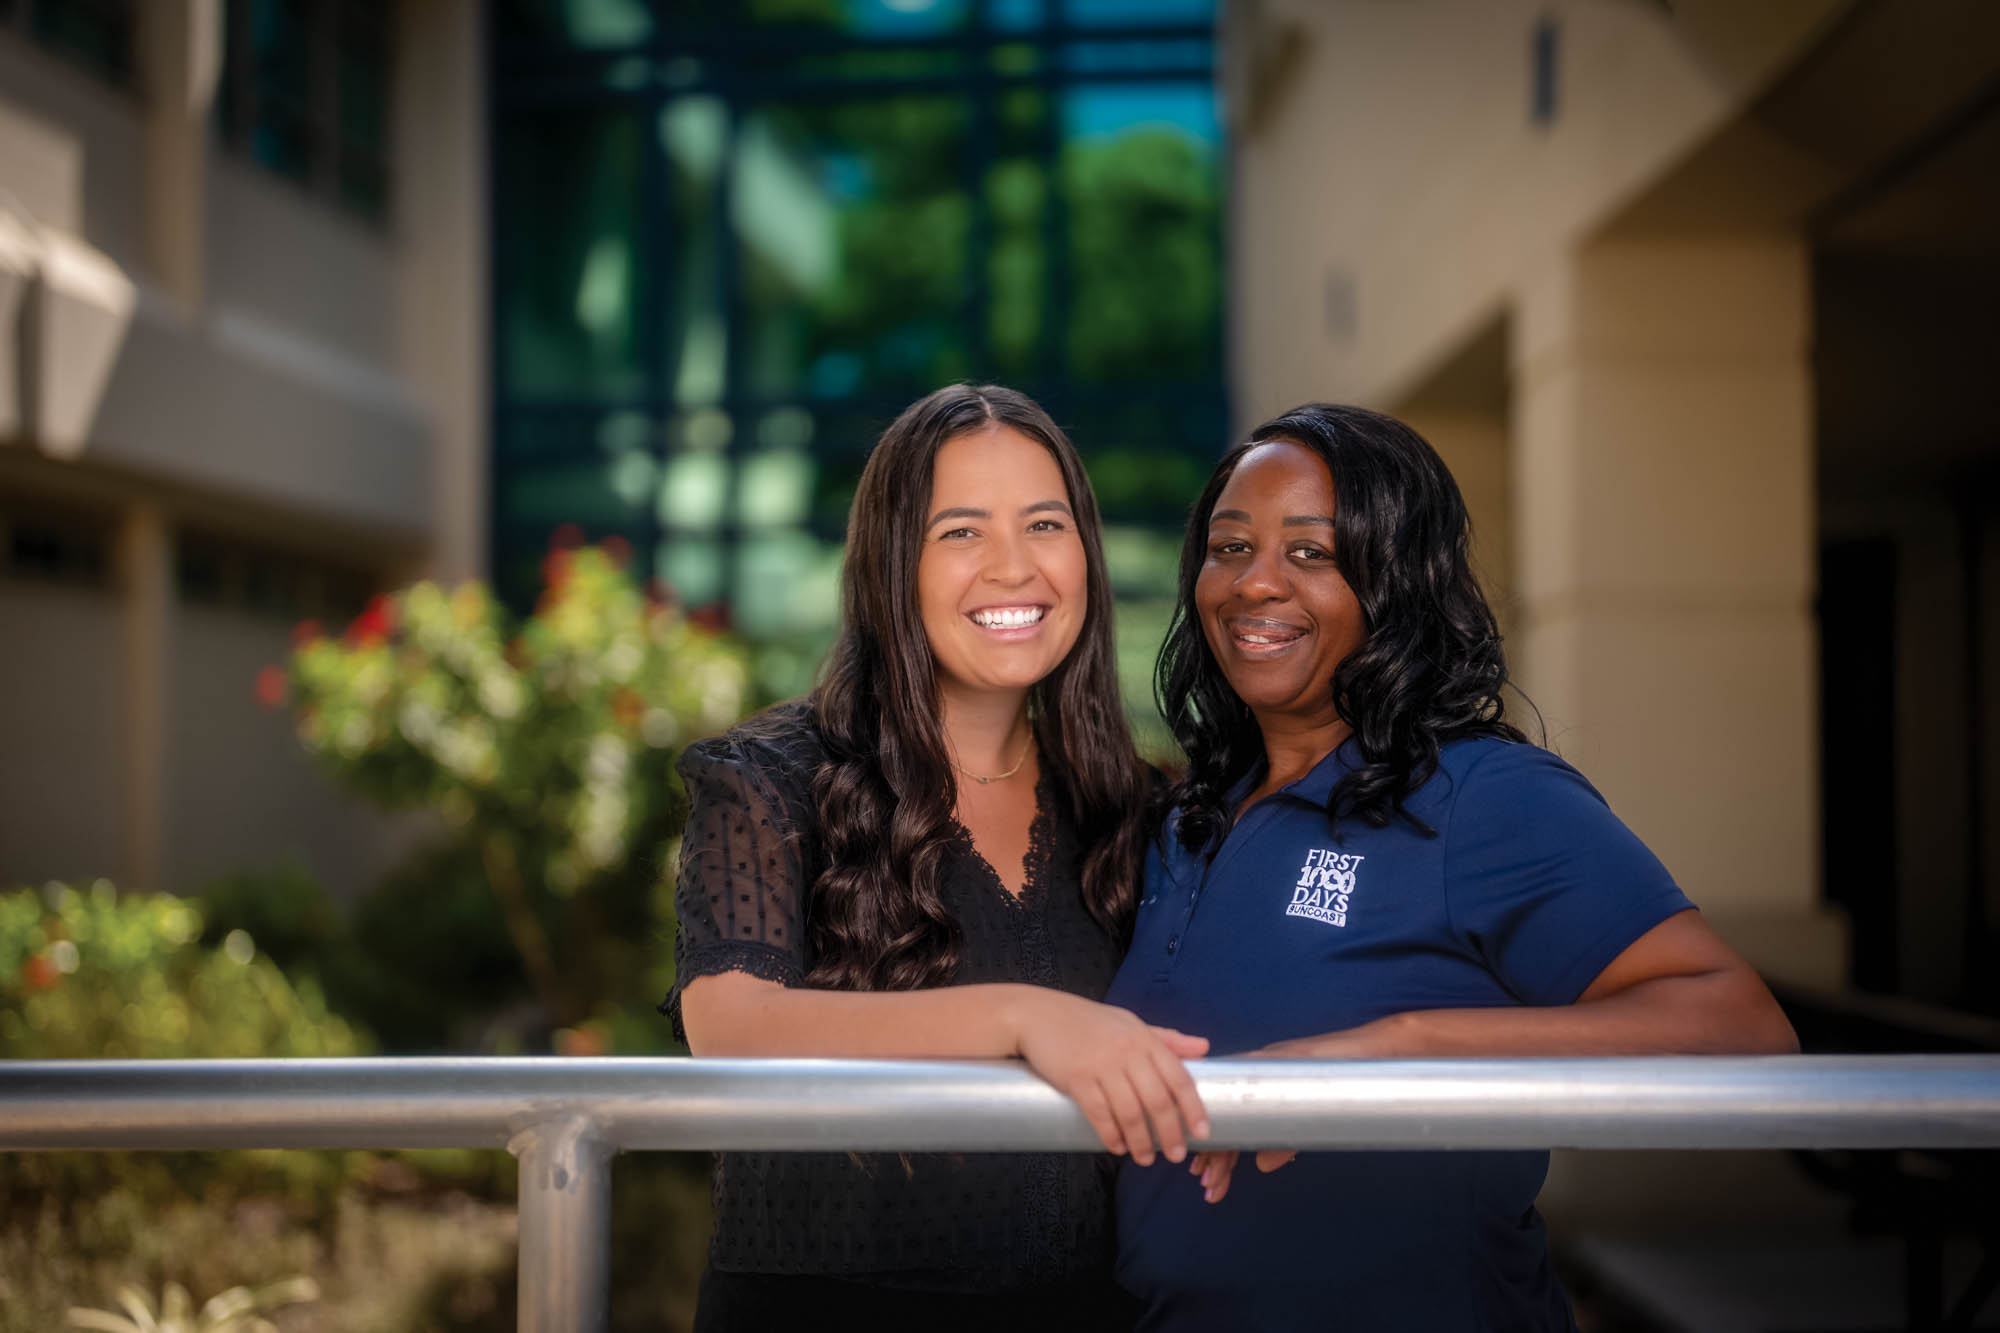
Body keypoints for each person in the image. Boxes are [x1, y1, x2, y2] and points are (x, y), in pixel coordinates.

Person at [1106, 403, 1798, 1332]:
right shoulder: (1186, 817)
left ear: (1393, 580)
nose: (1254, 583)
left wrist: (1402, 1048)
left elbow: (1743, 1027)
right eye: (1229, 548)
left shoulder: (1483, 797)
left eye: (1312, 553)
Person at [664, 384, 1210, 1331]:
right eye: (960, 532)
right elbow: (733, 1024)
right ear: (890, 565)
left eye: (1044, 523)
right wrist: (1022, 1017)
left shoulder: (1138, 807)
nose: (1013, 567)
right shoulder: (768, 780)